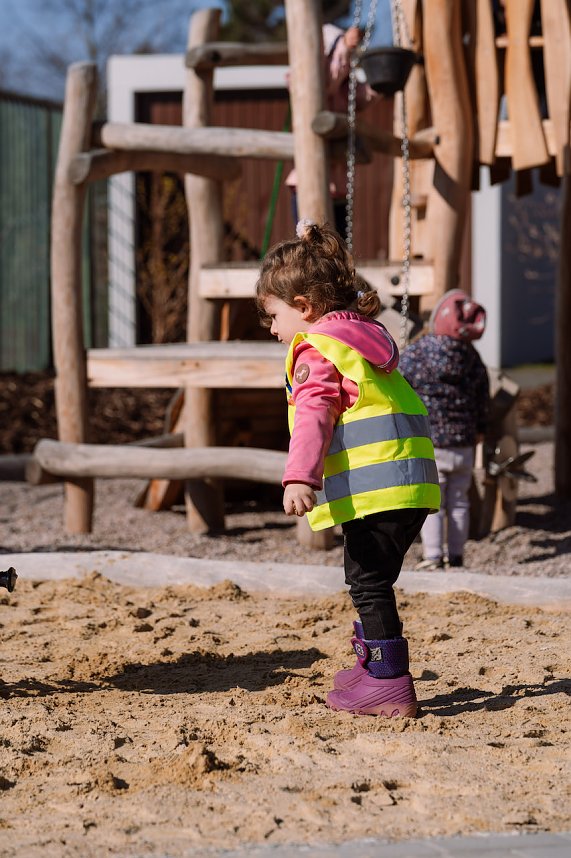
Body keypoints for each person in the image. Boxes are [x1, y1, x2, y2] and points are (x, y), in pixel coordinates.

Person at [255, 219, 440, 717]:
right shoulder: (365, 339)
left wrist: (299, 477)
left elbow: (314, 415)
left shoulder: (319, 352)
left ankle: (387, 679)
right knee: (371, 577)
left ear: (303, 308)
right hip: (412, 486)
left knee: (367, 582)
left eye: (272, 316)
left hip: (377, 488)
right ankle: (370, 664)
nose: (272, 330)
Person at [399, 289, 490, 570]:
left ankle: (433, 555)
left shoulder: (419, 352)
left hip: (430, 441)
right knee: (460, 501)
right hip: (463, 442)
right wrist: (480, 428)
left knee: (432, 503)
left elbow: (400, 381)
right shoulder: (472, 359)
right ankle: (458, 554)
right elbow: (483, 397)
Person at [285, 23, 377, 238]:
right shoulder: (306, 80)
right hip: (308, 183)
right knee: (312, 249)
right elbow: (327, 79)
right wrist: (344, 45)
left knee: (338, 248)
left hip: (338, 186)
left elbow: (360, 96)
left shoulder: (343, 88)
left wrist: (380, 83)